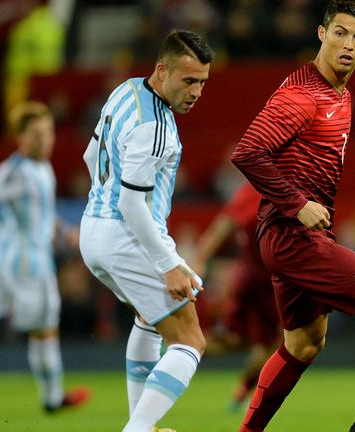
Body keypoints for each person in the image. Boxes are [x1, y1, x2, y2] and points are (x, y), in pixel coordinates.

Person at [230, 2, 355, 431]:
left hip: (290, 237)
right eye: (340, 33)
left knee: (303, 344)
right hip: (291, 237)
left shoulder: (340, 94)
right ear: (321, 33)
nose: (347, 45)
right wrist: (297, 204)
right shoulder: (302, 96)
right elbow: (248, 152)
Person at [78, 30, 214, 432]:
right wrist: (169, 263)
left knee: (148, 319)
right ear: (162, 71)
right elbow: (132, 204)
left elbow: (90, 155)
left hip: (94, 230)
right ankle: (136, 430)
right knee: (190, 339)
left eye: (202, 82)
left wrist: (101, 200)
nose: (196, 92)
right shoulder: (154, 126)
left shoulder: (125, 92)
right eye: (188, 81)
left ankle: (144, 427)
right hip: (126, 234)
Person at [0, 101, 89, 413]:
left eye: (48, 132)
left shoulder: (41, 168)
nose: (44, 140)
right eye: (36, 134)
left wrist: (63, 231)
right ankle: (52, 399)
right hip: (27, 264)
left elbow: (41, 214)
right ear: (20, 138)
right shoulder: (16, 169)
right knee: (45, 329)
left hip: (1, 260)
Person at [192, 181, 280, 411]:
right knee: (269, 343)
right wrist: (199, 260)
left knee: (237, 340)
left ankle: (177, 345)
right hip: (263, 279)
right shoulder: (263, 188)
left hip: (252, 275)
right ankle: (179, 344)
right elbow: (223, 226)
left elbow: (222, 226)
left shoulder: (252, 189)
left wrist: (200, 259)